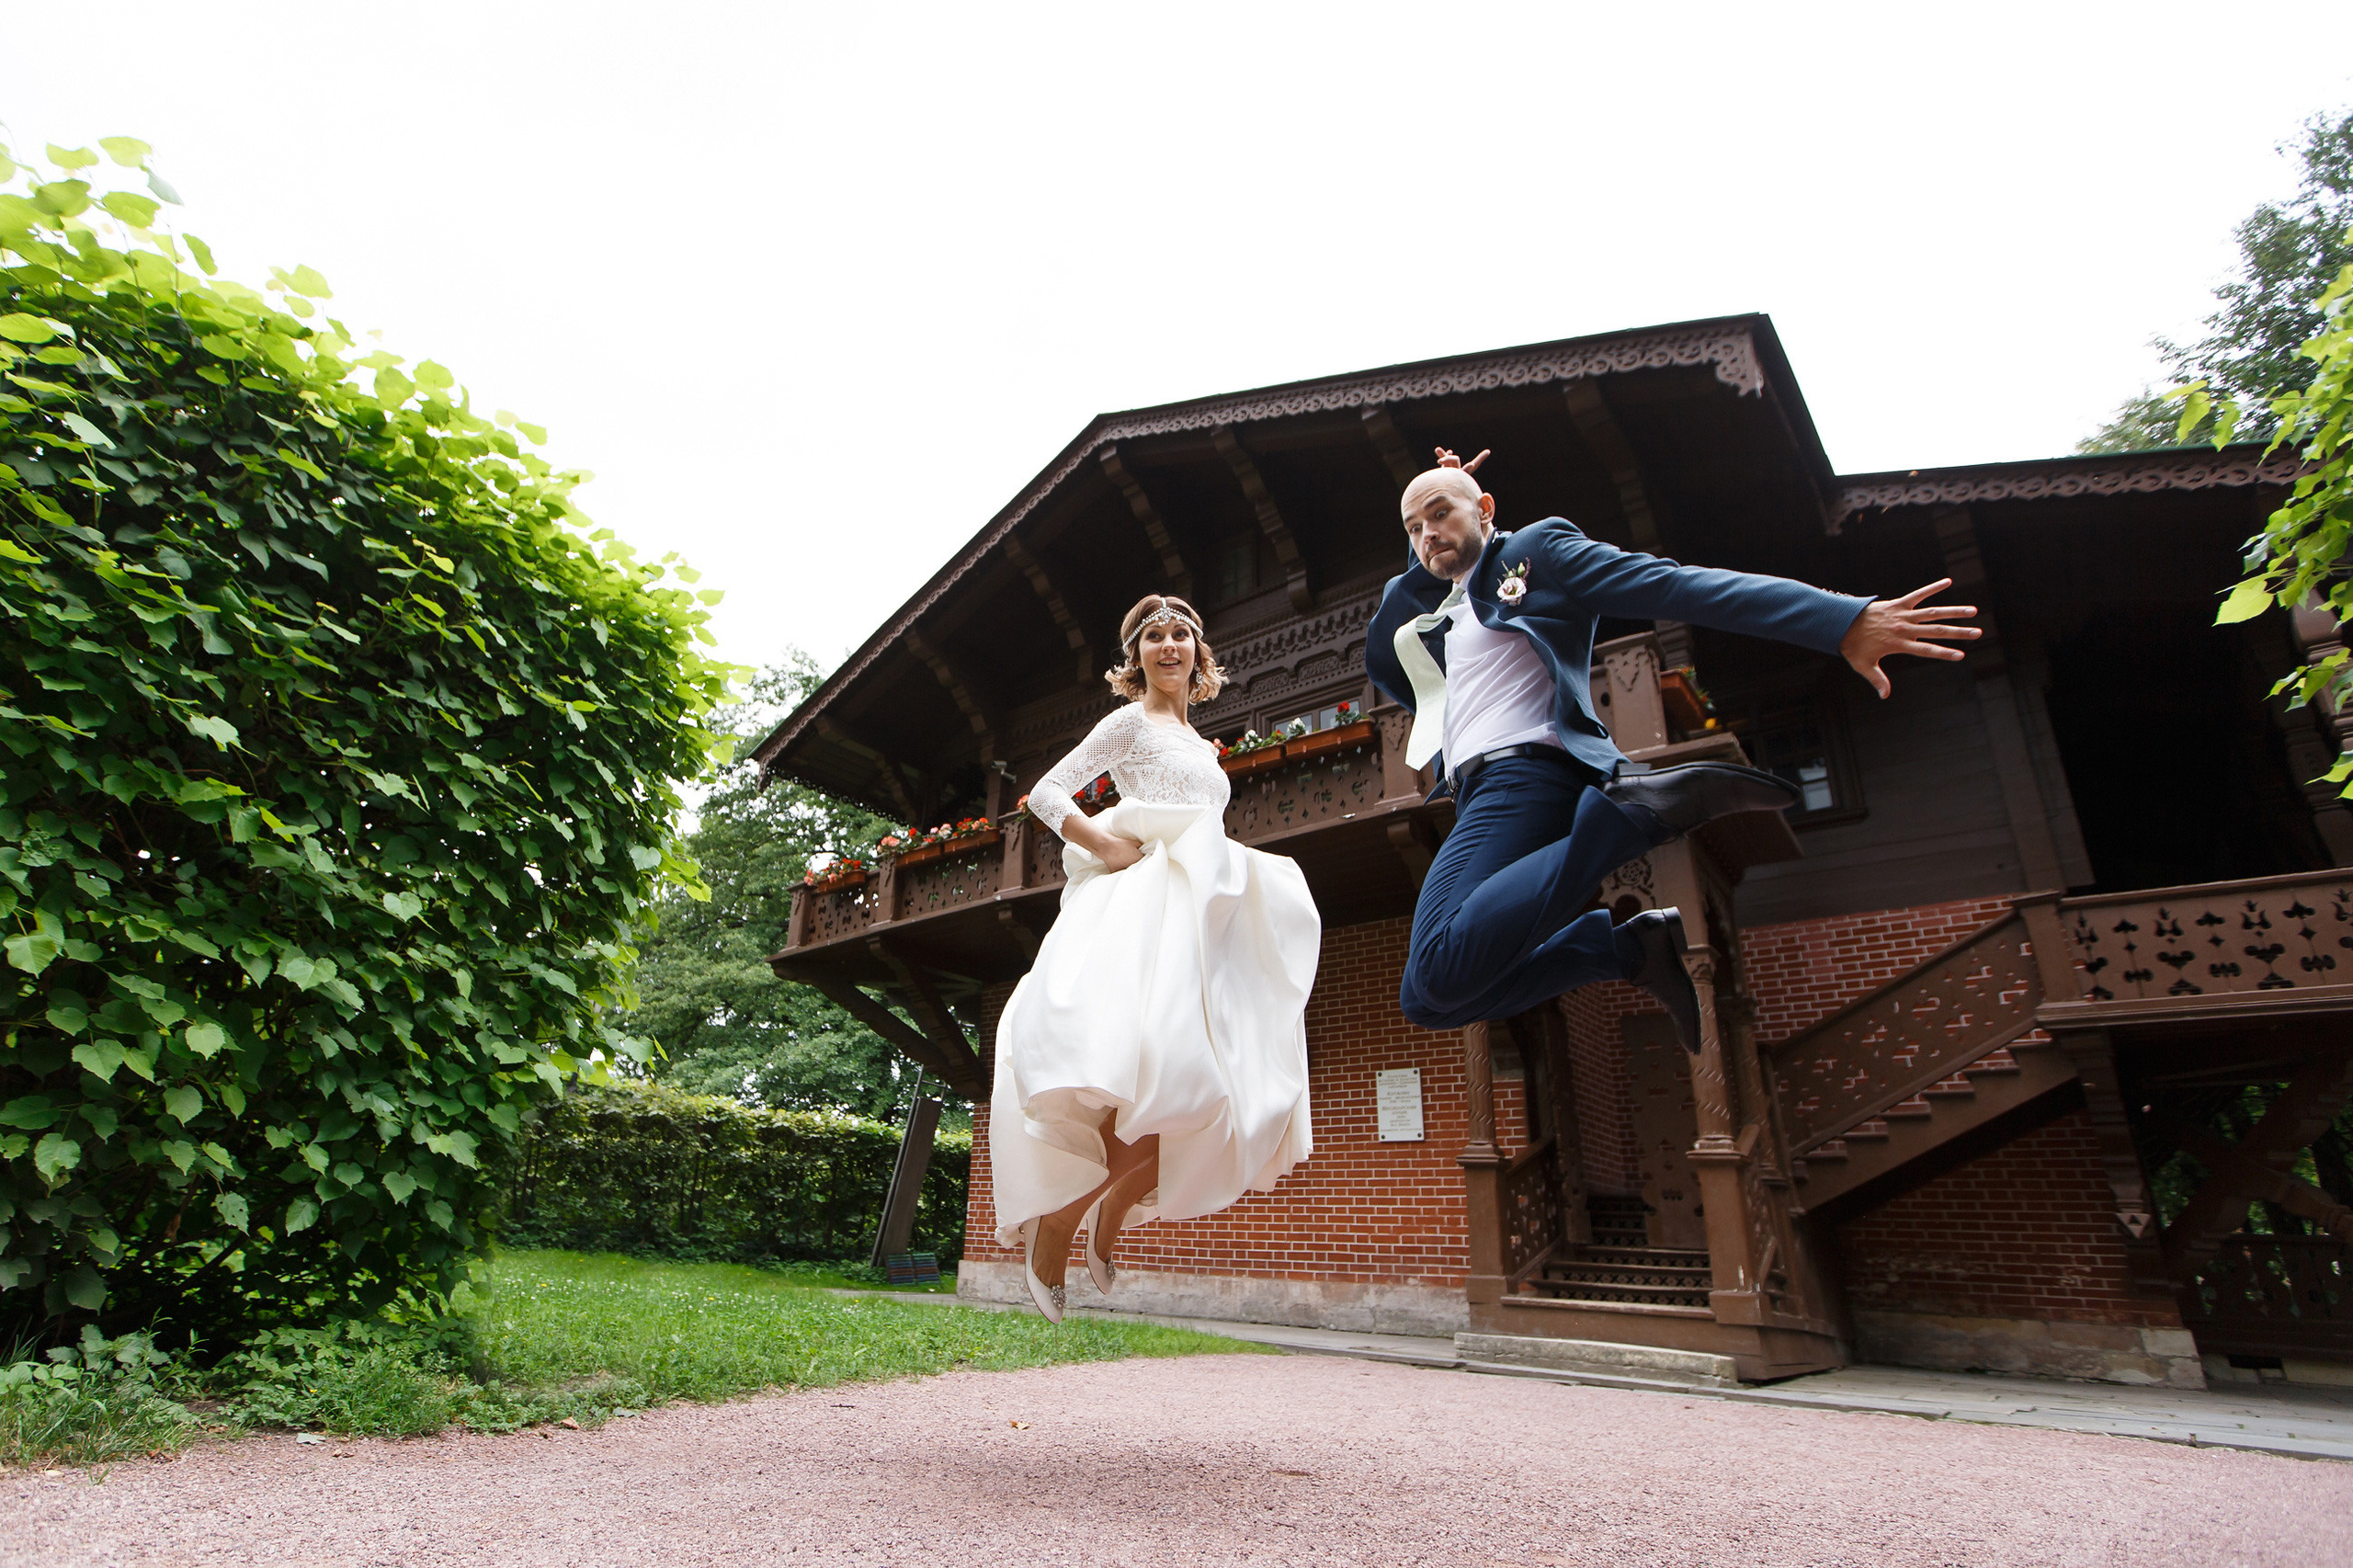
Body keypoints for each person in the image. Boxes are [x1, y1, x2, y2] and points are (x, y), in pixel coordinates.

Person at [1366, 449, 1978, 1046]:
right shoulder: (1446, 616)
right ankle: (1625, 948)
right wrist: (1441, 504)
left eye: (1440, 514)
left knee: (1442, 967)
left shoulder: (1535, 555)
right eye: (1413, 527)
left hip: (1526, 780)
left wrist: (1838, 621)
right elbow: (1382, 642)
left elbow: (1676, 586)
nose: (1426, 535)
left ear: (1488, 509)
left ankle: (1627, 819)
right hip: (1476, 798)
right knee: (1427, 1000)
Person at [991, 594, 1320, 1322]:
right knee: (1152, 1082)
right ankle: (1059, 1224)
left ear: (1199, 654)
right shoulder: (1128, 724)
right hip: (1147, 911)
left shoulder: (1202, 746)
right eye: (1153, 637)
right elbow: (1044, 793)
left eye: (1181, 635)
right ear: (1136, 657)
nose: (1168, 645)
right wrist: (1102, 842)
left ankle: (1112, 1209)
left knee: (1219, 1092)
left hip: (1205, 918)